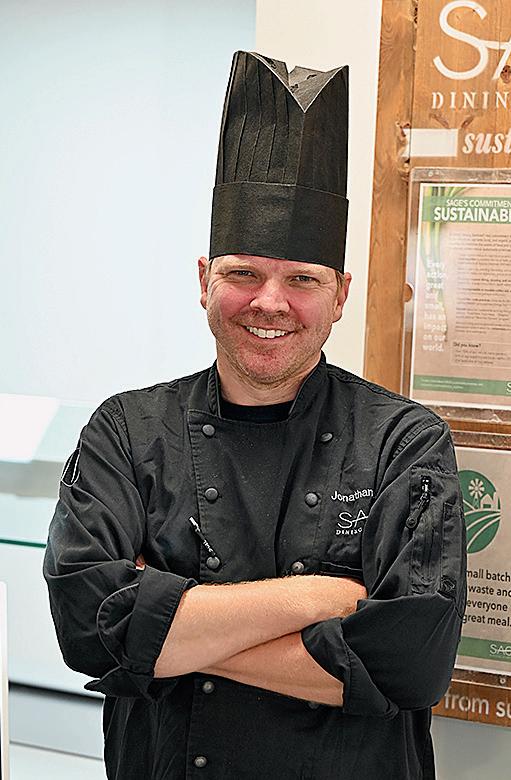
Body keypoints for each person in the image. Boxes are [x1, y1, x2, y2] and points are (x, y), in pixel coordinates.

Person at [44, 51, 466, 779]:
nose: (270, 303)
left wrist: (166, 628)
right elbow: (87, 626)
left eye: (302, 279)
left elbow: (410, 664)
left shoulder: (403, 440)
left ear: (340, 295)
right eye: (243, 273)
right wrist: (317, 599)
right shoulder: (126, 431)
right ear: (204, 280)